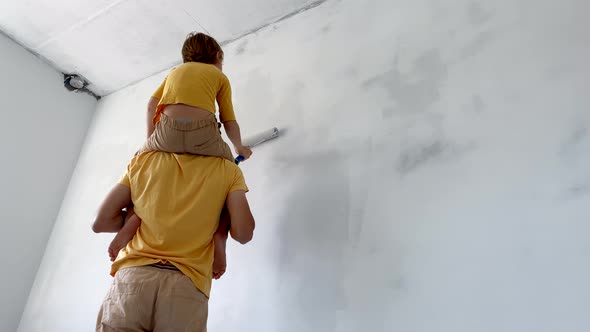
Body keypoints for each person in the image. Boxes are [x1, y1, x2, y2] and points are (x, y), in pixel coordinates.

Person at [107, 32, 253, 279]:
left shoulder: (174, 73)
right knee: (230, 178)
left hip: (165, 133)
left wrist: (151, 142)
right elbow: (228, 118)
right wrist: (239, 148)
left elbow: (152, 105)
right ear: (217, 56)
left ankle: (134, 219)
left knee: (144, 174)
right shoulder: (219, 76)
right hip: (203, 135)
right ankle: (219, 236)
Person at [93, 150, 255, 331]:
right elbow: (243, 234)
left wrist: (146, 218)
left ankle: (134, 219)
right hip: (186, 281)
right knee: (222, 210)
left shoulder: (144, 160)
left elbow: (100, 223)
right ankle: (219, 232)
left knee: (138, 203)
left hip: (132, 277)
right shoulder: (228, 170)